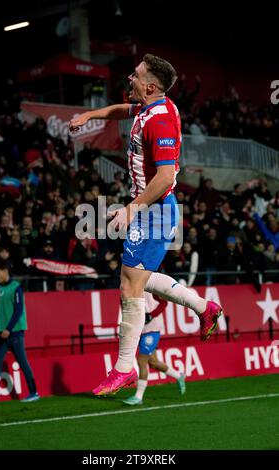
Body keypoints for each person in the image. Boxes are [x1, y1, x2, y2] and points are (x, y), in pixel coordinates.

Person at [69, 53, 223, 397]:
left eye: (136, 76)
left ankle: (124, 369)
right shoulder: (145, 108)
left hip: (154, 209)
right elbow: (120, 111)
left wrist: (131, 208)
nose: (130, 78)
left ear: (151, 86)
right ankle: (205, 307)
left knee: (129, 286)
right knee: (140, 279)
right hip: (148, 208)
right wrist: (90, 115)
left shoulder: (160, 120)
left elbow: (167, 176)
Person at [0, 261, 39, 405]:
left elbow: (18, 311)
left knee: (23, 363)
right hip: (1, 334)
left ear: (6, 271)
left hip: (15, 334)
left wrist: (8, 329)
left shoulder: (16, 288)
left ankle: (33, 392)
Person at [123, 292, 186, 405]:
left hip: (152, 329)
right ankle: (179, 376)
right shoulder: (125, 289)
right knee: (153, 362)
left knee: (142, 361)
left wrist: (151, 315)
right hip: (140, 330)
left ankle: (138, 397)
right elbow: (126, 311)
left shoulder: (147, 284)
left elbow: (163, 302)